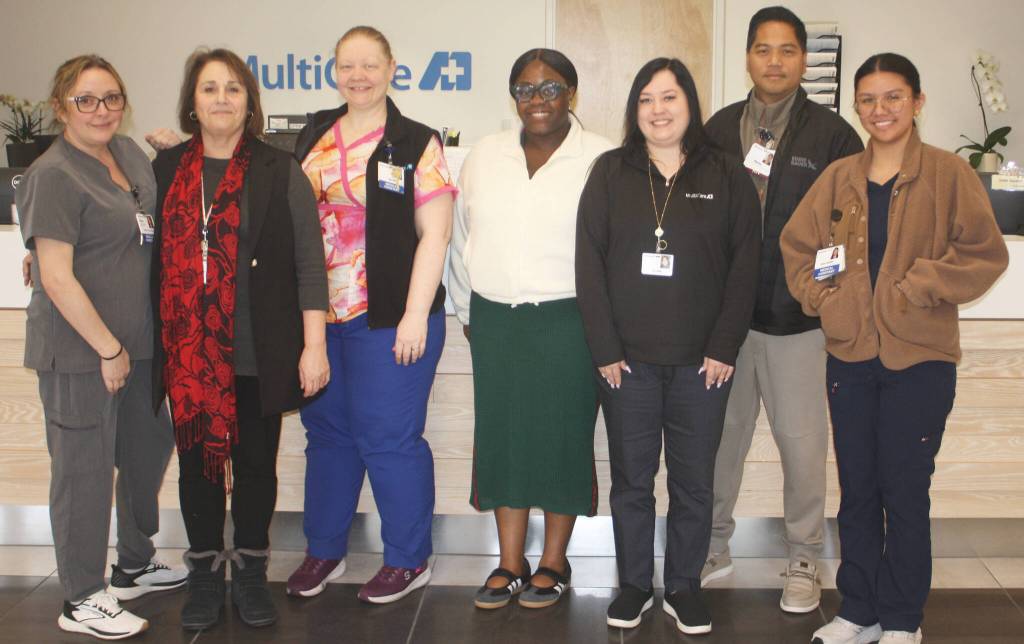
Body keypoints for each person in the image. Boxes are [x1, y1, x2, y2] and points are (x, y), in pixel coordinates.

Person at [780, 53, 1008, 644]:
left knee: (904, 491)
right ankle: (859, 610)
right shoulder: (838, 178)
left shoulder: (947, 174)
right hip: (850, 357)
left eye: (893, 97)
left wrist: (923, 284)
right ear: (856, 107)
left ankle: (903, 618)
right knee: (857, 490)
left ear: (917, 102)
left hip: (921, 361)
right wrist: (824, 300)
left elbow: (986, 253)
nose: (880, 110)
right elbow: (797, 248)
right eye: (869, 99)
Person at [576, 57, 761, 634]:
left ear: (690, 105)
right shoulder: (610, 172)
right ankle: (633, 584)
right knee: (631, 480)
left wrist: (725, 347)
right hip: (625, 364)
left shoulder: (727, 175)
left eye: (669, 98)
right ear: (635, 111)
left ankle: (683, 585)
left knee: (693, 482)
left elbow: (744, 269)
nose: (658, 110)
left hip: (701, 365)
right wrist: (604, 347)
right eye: (646, 100)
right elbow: (590, 264)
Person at [150, 48, 329, 630]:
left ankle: (251, 572)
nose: (221, 98)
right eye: (209, 89)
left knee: (256, 467)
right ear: (191, 102)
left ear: (250, 101)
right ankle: (203, 575)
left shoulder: (280, 170)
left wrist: (314, 344)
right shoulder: (166, 167)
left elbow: (309, 263)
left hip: (259, 347)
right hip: (188, 353)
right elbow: (118, 225)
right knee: (198, 469)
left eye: (233, 88)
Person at [16, 54, 186, 641]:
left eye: (111, 97)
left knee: (146, 449)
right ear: (62, 105)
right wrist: (107, 349)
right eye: (86, 99)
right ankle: (82, 595)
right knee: (83, 472)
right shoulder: (53, 173)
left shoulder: (131, 155)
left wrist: (176, 145)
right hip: (81, 351)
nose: (101, 110)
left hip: (139, 343)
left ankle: (134, 561)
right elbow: (57, 276)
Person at [285, 26, 455, 604]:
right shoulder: (313, 134)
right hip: (318, 319)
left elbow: (435, 235)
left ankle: (408, 559)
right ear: (335, 70)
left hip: (390, 317)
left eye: (370, 65)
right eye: (347, 65)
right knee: (327, 435)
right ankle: (324, 550)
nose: (359, 76)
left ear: (391, 69)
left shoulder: (415, 142)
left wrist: (414, 315)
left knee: (388, 439)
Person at [701, 6, 863, 614]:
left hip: (798, 326)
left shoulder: (833, 135)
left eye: (788, 50)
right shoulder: (716, 131)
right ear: (747, 57)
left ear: (803, 59)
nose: (775, 61)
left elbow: (846, 231)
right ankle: (713, 544)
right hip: (726, 327)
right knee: (720, 442)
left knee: (802, 445)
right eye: (764, 49)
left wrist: (816, 290)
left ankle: (803, 557)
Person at [448, 48, 614, 610]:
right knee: (504, 439)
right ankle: (509, 562)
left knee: (563, 437)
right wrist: (468, 311)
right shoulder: (485, 155)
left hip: (570, 318)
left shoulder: (602, 157)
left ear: (572, 93)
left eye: (549, 88)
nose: (536, 100)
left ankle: (553, 560)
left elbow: (613, 247)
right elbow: (459, 236)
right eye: (524, 88)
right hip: (495, 319)